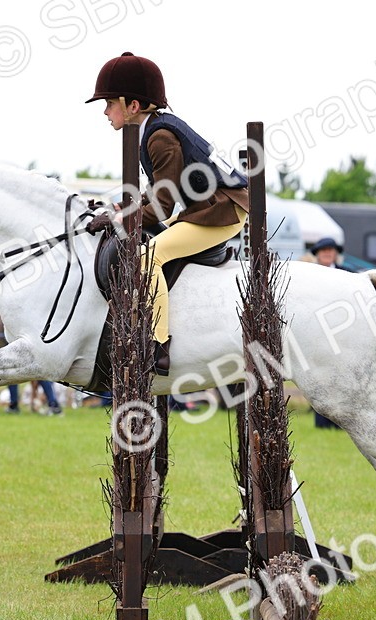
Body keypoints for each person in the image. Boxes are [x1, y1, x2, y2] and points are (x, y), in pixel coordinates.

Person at [87, 51, 250, 377]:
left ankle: (157, 345)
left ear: (132, 105)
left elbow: (163, 205)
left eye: (109, 103)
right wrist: (122, 208)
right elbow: (160, 189)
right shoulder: (155, 130)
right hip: (206, 207)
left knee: (149, 257)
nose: (105, 111)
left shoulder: (160, 137)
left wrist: (120, 220)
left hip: (221, 211)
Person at [309, 237, 345, 429]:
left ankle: (340, 420)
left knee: (340, 376)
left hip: (340, 331)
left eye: (331, 250)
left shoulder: (345, 274)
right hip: (316, 332)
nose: (327, 253)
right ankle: (321, 421)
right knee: (319, 376)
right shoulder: (307, 275)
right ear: (317, 253)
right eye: (324, 250)